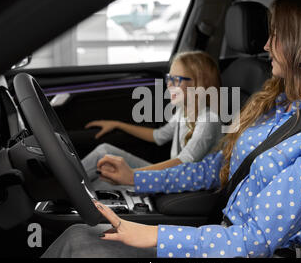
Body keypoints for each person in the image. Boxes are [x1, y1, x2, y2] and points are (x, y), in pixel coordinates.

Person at [42, 0, 301, 258]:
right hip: (221, 237)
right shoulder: (278, 104)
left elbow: (254, 242)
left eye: (275, 36)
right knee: (81, 236)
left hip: (241, 250)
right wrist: (135, 179)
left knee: (79, 243)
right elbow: (214, 169)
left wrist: (152, 236)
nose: (265, 46)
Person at [81, 51, 223, 186]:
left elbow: (183, 162)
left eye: (176, 80)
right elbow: (159, 136)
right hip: (171, 175)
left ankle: (66, 192)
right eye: (169, 78)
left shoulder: (208, 120)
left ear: (197, 85)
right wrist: (118, 124)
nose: (168, 84)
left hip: (182, 183)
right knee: (104, 153)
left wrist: (132, 175)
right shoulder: (183, 112)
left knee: (102, 179)